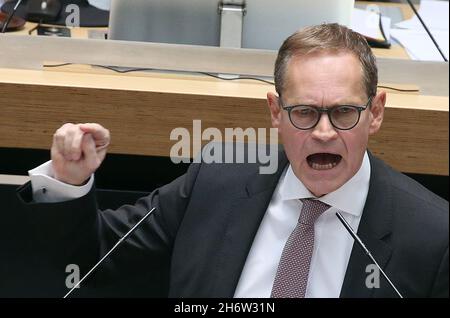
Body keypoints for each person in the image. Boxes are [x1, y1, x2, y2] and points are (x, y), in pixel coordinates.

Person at [18, 23, 448, 298]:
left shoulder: (431, 236)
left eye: (343, 112)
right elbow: (89, 260)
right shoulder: (216, 181)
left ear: (375, 113)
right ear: (276, 113)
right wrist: (69, 181)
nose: (323, 132)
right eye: (303, 112)